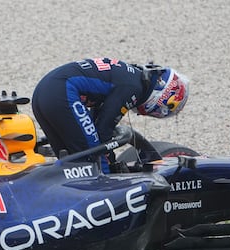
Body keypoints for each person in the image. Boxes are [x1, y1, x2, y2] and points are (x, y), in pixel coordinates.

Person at [31, 57, 189, 172]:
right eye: (161, 109)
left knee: (69, 161)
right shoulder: (133, 88)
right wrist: (110, 166)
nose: (155, 113)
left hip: (43, 93)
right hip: (61, 92)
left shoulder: (130, 76)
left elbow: (96, 121)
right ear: (163, 94)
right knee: (94, 158)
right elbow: (103, 130)